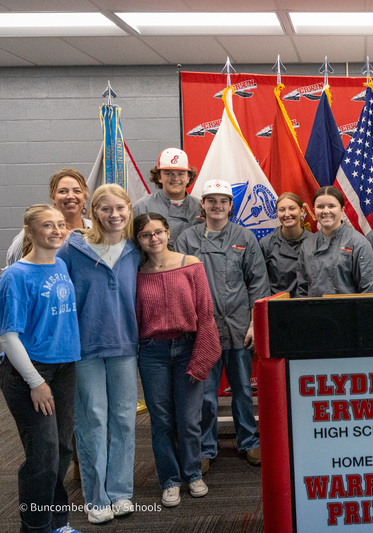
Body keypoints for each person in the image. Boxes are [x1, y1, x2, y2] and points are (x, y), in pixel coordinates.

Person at [56, 184, 140, 523]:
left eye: (120, 208)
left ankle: (120, 492)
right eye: (106, 209)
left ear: (129, 209)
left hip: (125, 348)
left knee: (123, 421)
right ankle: (96, 498)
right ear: (94, 211)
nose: (114, 215)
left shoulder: (135, 250)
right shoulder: (72, 249)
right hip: (85, 349)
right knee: (92, 421)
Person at [175, 180, 269, 473]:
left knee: (242, 388)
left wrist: (255, 322)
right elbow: (179, 284)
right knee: (205, 394)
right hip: (202, 329)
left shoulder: (244, 237)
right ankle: (205, 447)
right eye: (211, 200)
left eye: (223, 201)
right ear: (202, 204)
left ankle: (249, 442)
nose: (217, 206)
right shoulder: (187, 239)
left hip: (239, 327)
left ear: (231, 205)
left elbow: (258, 282)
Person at [0, 205, 82, 533]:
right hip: (30, 374)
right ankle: (34, 528)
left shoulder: (60, 264)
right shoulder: (15, 276)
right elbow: (8, 337)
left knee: (61, 452)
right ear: (30, 232)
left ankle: (57, 523)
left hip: (64, 369)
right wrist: (35, 381)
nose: (56, 230)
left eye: (60, 224)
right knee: (43, 456)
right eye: (47, 225)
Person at [134, 212, 221, 508]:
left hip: (187, 348)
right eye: (146, 235)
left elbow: (206, 314)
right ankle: (169, 480)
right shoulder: (137, 273)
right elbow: (134, 319)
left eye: (158, 232)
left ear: (168, 233)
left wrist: (201, 359)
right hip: (152, 352)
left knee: (189, 420)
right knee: (161, 421)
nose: (153, 238)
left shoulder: (191, 265)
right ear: (139, 240)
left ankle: (193, 473)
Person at [297, 186, 373, 297]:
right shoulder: (307, 245)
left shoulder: (358, 242)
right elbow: (302, 289)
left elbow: (370, 289)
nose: (326, 211)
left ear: (342, 209)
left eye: (331, 206)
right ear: (314, 210)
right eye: (320, 207)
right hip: (313, 312)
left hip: (349, 312)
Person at [6, 168, 93, 268]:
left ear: (85, 197)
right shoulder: (36, 231)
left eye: (77, 191)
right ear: (53, 197)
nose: (70, 196)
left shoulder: (96, 230)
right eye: (63, 191)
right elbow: (13, 263)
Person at [132, 147, 202, 247]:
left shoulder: (200, 207)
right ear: (159, 177)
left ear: (188, 177)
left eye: (181, 174)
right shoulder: (141, 207)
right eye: (168, 173)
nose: (175, 178)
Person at [260, 192, 311, 297]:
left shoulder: (315, 242)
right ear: (277, 213)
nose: (287, 214)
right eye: (282, 210)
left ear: (302, 211)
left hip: (308, 305)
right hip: (277, 306)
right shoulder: (266, 244)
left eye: (292, 208)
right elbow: (260, 283)